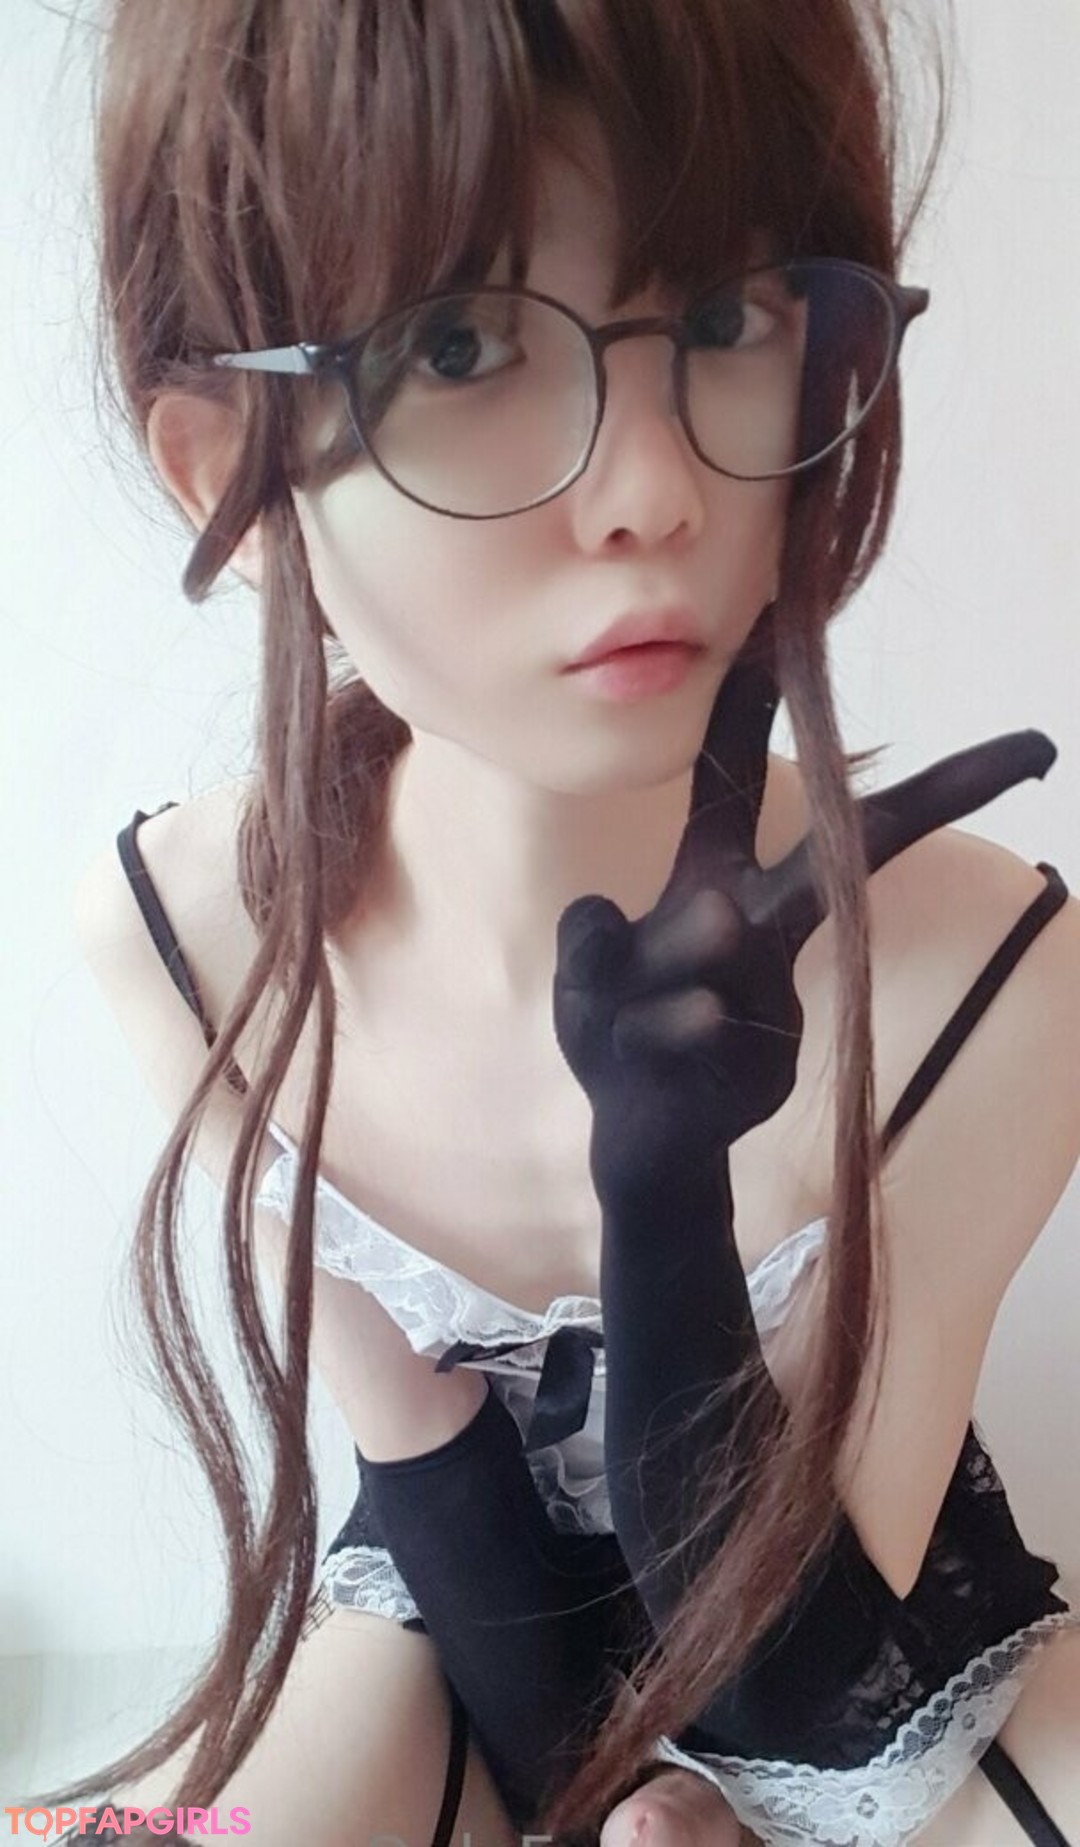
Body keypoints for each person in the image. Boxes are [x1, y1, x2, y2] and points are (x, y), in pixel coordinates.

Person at [41, 1, 1080, 1843]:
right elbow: (429, 1481)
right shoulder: (183, 942)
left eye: (729, 316)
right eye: (457, 343)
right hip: (464, 1610)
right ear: (228, 475)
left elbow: (805, 1716)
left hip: (849, 1650)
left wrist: (662, 1201)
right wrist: (616, 1807)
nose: (659, 492)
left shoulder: (988, 973)